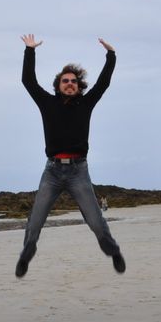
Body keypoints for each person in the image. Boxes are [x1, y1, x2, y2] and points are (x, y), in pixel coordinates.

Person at [14, 34, 125, 278]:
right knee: (35, 222)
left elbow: (104, 83)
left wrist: (111, 55)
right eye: (65, 81)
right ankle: (26, 255)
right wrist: (30, 51)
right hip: (52, 172)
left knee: (96, 221)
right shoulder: (47, 102)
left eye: (74, 81)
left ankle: (113, 251)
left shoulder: (86, 104)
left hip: (78, 171)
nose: (69, 84)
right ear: (58, 85)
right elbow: (28, 81)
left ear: (79, 85)